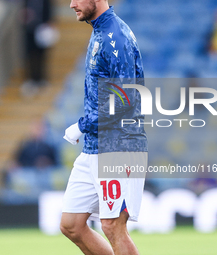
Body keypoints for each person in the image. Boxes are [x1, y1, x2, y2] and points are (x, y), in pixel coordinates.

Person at [60, 1, 148, 255]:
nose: (71, 4)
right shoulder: (100, 31)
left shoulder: (115, 36)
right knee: (72, 225)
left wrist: (81, 125)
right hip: (94, 147)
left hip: (119, 146)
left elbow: (124, 100)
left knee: (112, 226)